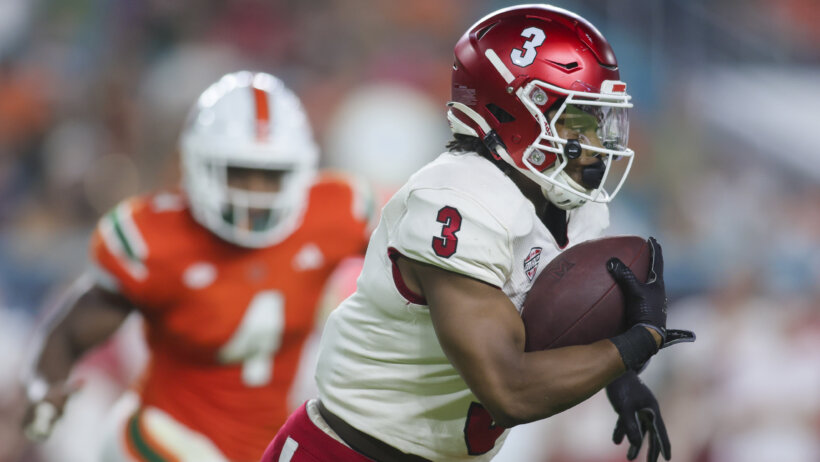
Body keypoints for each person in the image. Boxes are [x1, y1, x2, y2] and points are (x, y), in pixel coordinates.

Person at [262, 5, 694, 462]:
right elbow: (508, 391)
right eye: (577, 119)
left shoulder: (573, 205)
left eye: (600, 120)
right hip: (346, 452)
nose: (597, 143)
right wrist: (635, 344)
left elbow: (558, 316)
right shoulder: (458, 200)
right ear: (510, 111)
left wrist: (617, 376)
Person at [21, 70, 373, 462]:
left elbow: (414, 266)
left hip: (262, 442)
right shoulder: (156, 240)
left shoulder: (338, 213)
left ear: (301, 173)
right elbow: (72, 330)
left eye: (270, 176)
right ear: (198, 164)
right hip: (162, 435)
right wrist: (42, 388)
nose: (253, 194)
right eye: (238, 172)